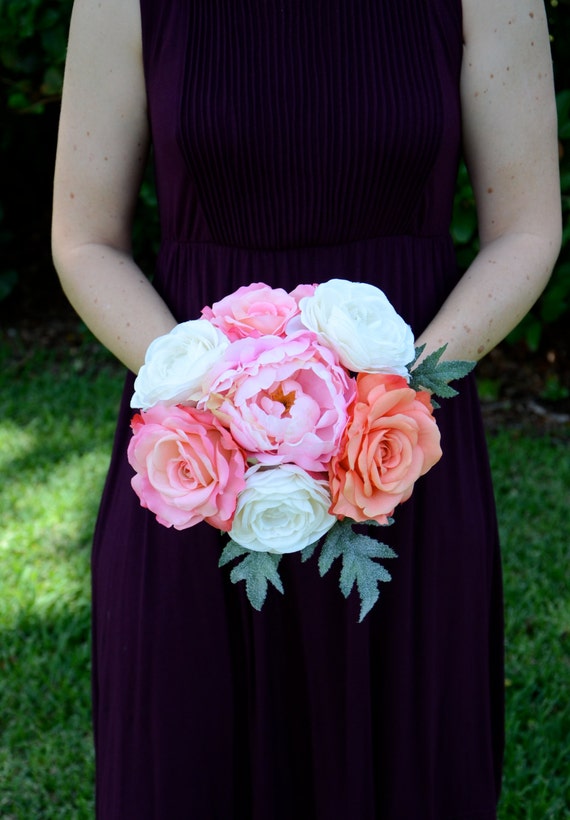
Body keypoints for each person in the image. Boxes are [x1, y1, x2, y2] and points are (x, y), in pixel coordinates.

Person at [51, 0, 561, 817]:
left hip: (400, 453)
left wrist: (390, 394)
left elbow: (527, 229)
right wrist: (220, 398)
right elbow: (84, 240)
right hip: (198, 460)